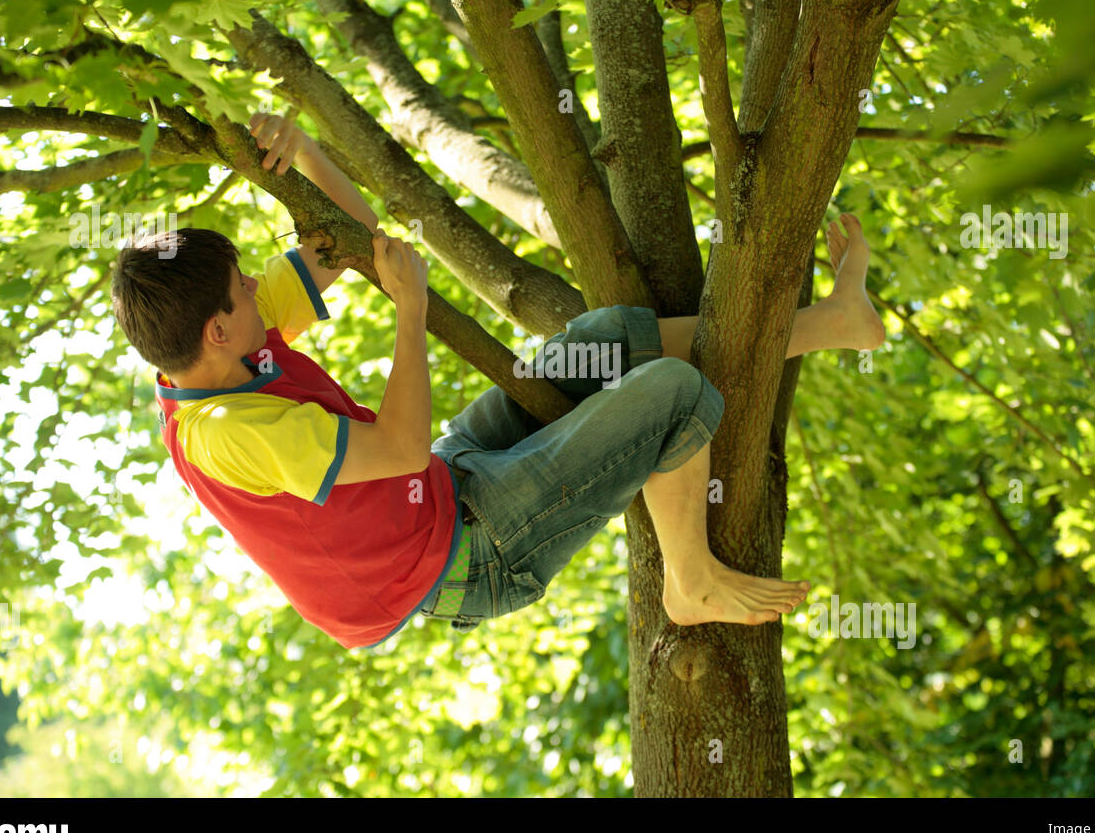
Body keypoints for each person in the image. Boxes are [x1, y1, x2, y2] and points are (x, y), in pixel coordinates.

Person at [109, 112, 885, 649]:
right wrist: (409, 314)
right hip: (463, 562)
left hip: (446, 485)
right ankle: (691, 581)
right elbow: (401, 448)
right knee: (671, 392)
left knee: (608, 339)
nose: (257, 285)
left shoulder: (214, 344)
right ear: (216, 329)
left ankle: (833, 324)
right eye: (244, 287)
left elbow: (345, 239)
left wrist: (304, 148)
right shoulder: (231, 435)